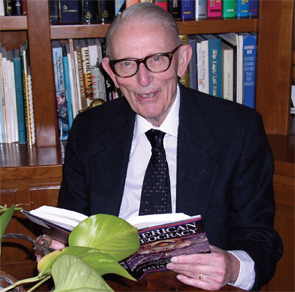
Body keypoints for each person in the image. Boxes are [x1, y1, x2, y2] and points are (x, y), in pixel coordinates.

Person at [57, 2, 282, 291]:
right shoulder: (89, 130)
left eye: (157, 59)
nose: (143, 79)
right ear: (111, 73)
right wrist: (57, 247)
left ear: (182, 60)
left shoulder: (238, 130)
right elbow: (69, 225)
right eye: (127, 63)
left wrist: (233, 266)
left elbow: (261, 241)